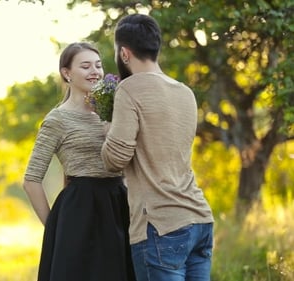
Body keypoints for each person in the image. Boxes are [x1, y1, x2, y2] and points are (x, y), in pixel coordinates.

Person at [101, 14, 215, 281]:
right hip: (199, 217)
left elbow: (115, 160)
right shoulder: (185, 92)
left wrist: (107, 131)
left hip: (160, 225)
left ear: (125, 53)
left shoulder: (129, 89)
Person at [23, 42, 137, 281]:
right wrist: (54, 227)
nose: (94, 71)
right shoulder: (57, 119)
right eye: (85, 66)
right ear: (67, 73)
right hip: (79, 210)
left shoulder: (116, 112)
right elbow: (31, 180)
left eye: (98, 65)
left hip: (119, 205)